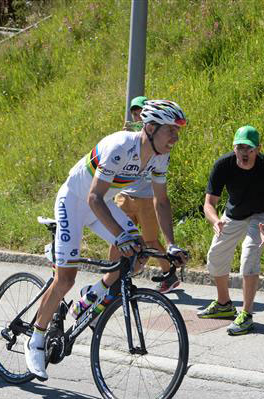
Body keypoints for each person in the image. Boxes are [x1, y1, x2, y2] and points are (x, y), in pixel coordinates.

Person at [24, 100, 189, 380]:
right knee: (65, 279)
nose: (175, 138)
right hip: (75, 202)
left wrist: (171, 244)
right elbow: (92, 197)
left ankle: (91, 297)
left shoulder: (161, 155)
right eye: (170, 131)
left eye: (177, 132)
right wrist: (120, 234)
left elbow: (161, 202)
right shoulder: (119, 147)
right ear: (150, 128)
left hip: (103, 204)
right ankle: (36, 339)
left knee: (137, 254)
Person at [198, 125, 264, 336]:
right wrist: (215, 220)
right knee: (215, 257)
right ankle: (224, 304)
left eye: (249, 148)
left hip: (261, 217)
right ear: (234, 148)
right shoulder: (223, 165)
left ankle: (246, 315)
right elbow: (208, 203)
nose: (244, 153)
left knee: (248, 256)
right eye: (240, 147)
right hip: (233, 215)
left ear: (258, 149)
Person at [108, 95, 179, 294]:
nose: (137, 114)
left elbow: (161, 195)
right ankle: (111, 275)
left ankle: (168, 273)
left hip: (147, 197)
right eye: (134, 111)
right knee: (118, 237)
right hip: (123, 195)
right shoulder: (127, 139)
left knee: (150, 240)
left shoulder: (160, 144)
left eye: (140, 110)